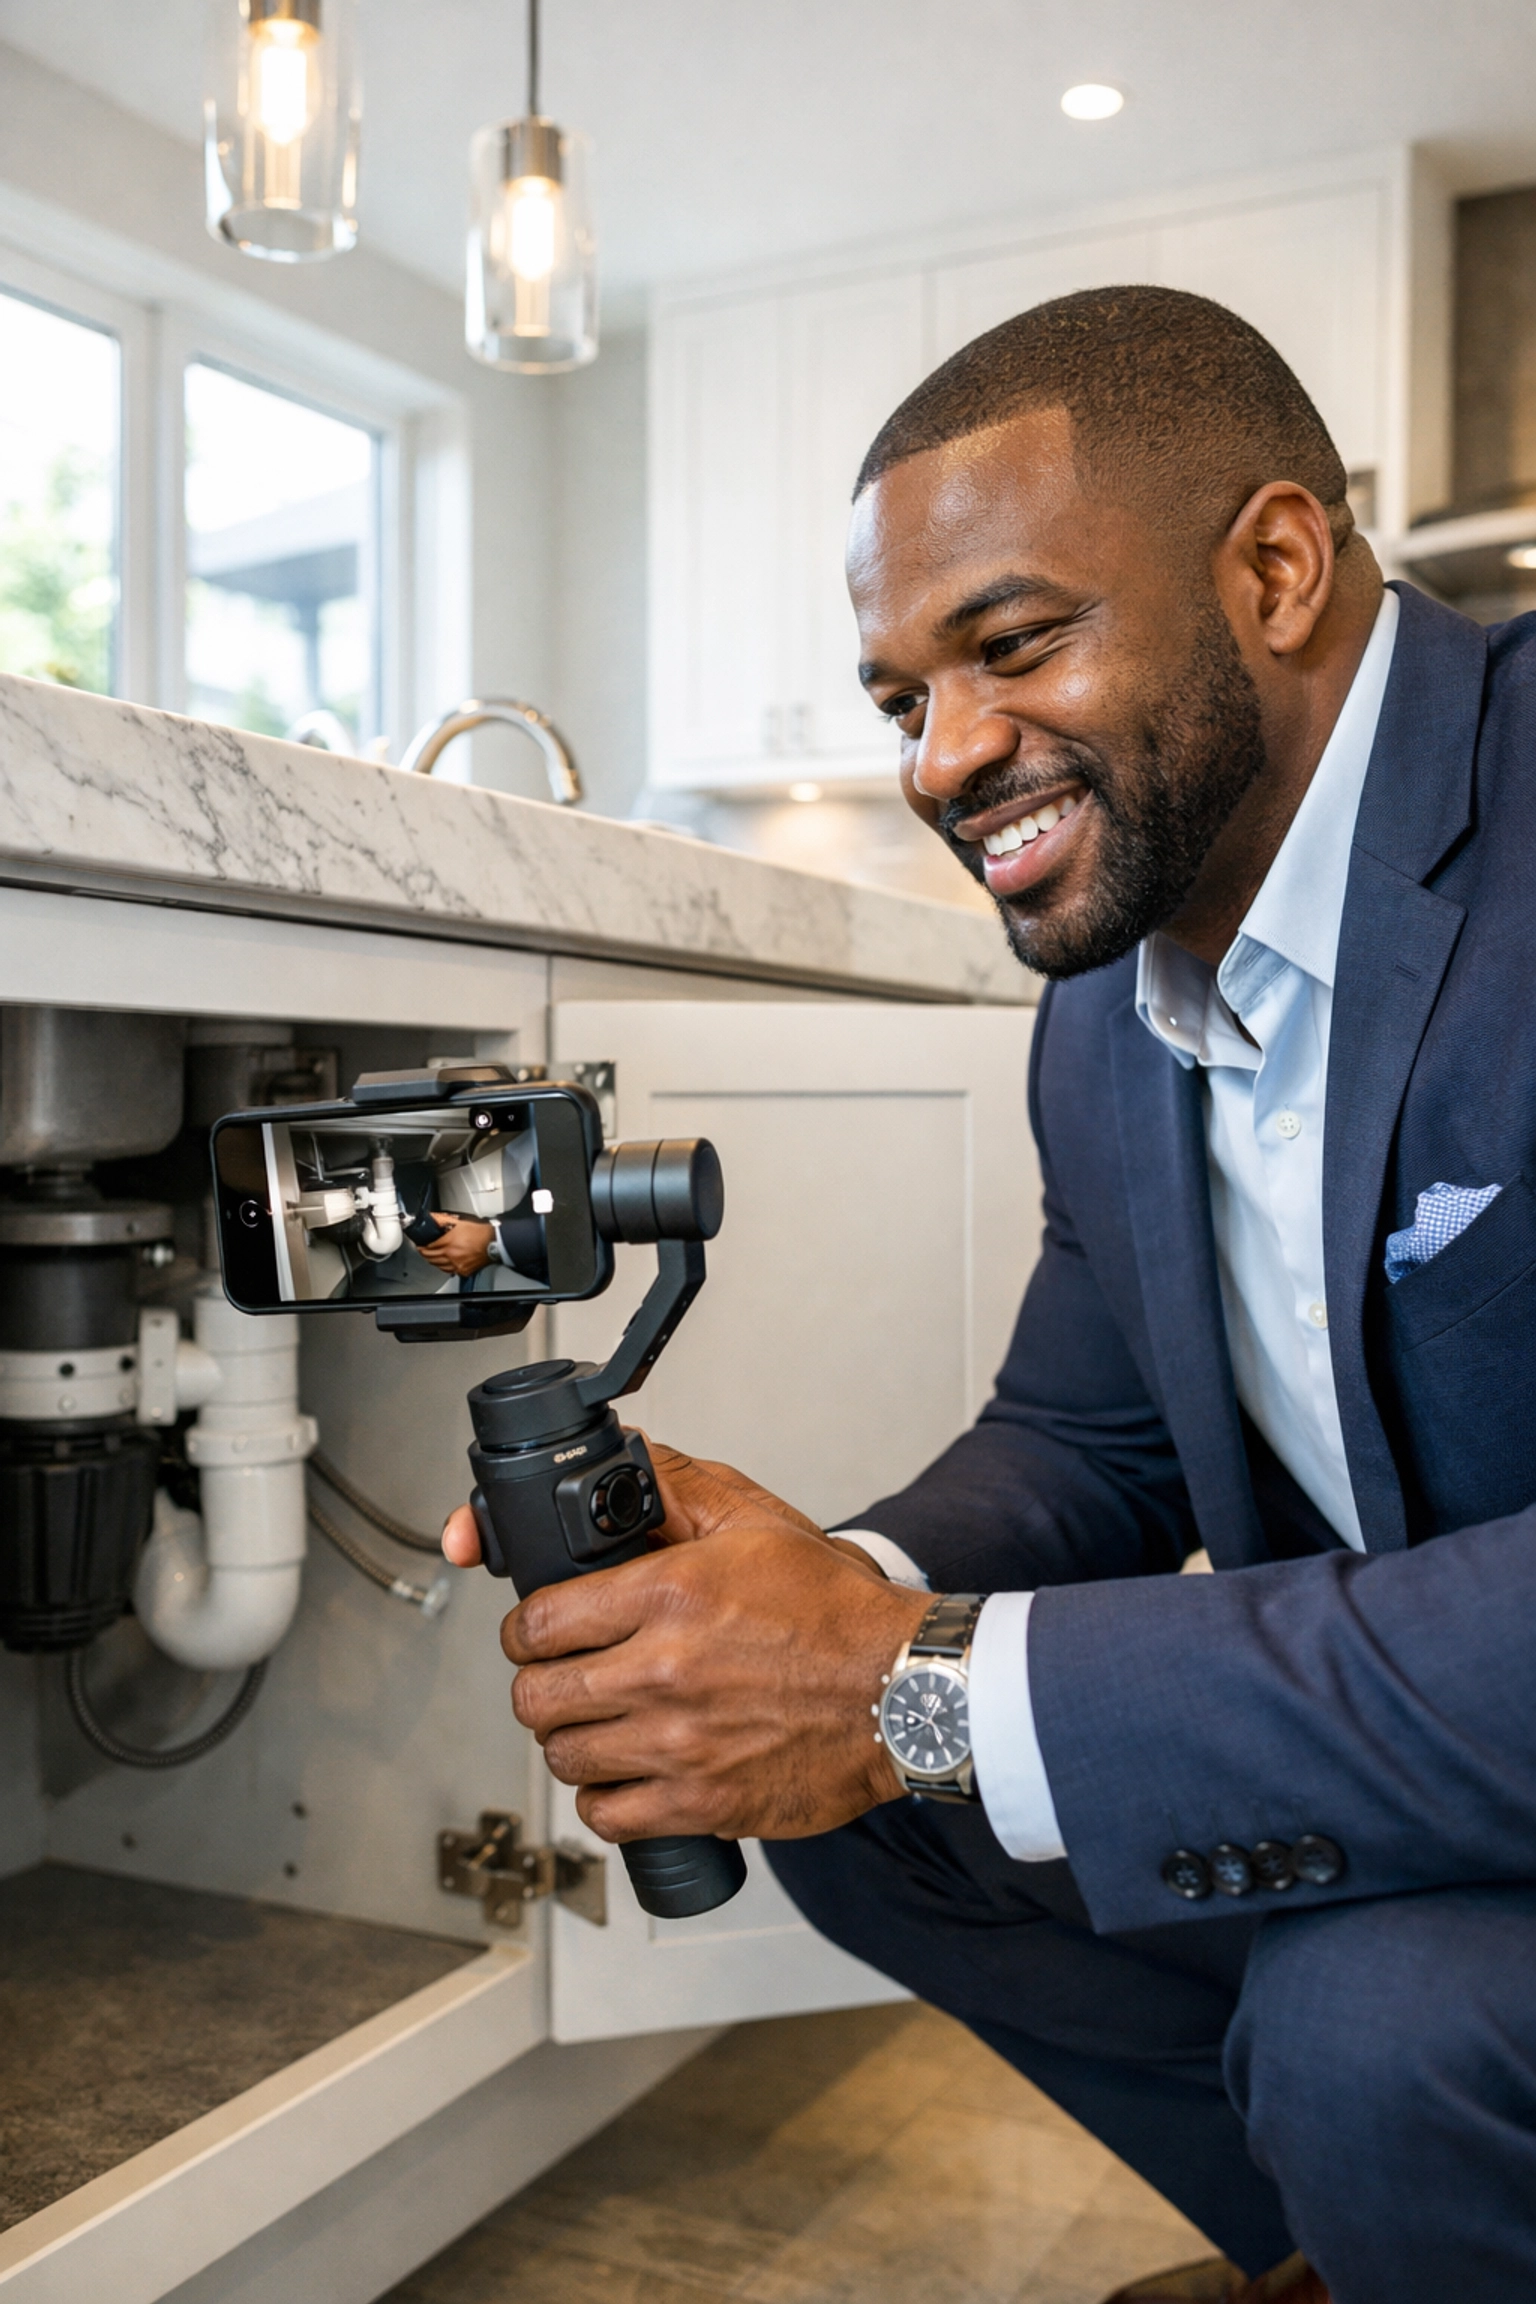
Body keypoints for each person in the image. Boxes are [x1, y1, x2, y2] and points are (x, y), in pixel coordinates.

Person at [443, 287, 1536, 2304]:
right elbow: (1087, 1444)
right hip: (1441, 1750)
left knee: (1380, 2029)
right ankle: (1380, 2242)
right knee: (876, 1804)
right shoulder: (1113, 1017)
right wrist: (805, 1602)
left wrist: (906, 1681)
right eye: (895, 698)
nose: (944, 763)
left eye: (1012, 647)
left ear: (1277, 567)